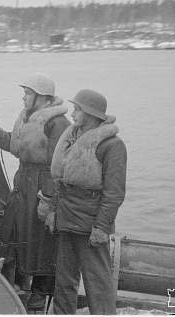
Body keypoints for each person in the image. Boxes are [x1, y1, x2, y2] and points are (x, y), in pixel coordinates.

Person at [0, 73, 70, 310]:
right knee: (15, 234)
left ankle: (40, 296)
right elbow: (12, 144)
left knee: (44, 241)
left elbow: (57, 165)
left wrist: (48, 200)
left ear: (42, 97)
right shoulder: (27, 118)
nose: (23, 97)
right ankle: (18, 286)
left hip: (42, 185)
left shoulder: (58, 123)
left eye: (28, 92)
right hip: (23, 184)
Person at [48, 89, 127, 314]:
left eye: (77, 109)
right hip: (66, 220)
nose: (73, 113)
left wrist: (101, 228)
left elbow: (114, 194)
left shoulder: (112, 146)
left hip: (90, 226)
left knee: (98, 283)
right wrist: (53, 210)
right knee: (63, 281)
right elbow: (60, 181)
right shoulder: (72, 139)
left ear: (90, 114)